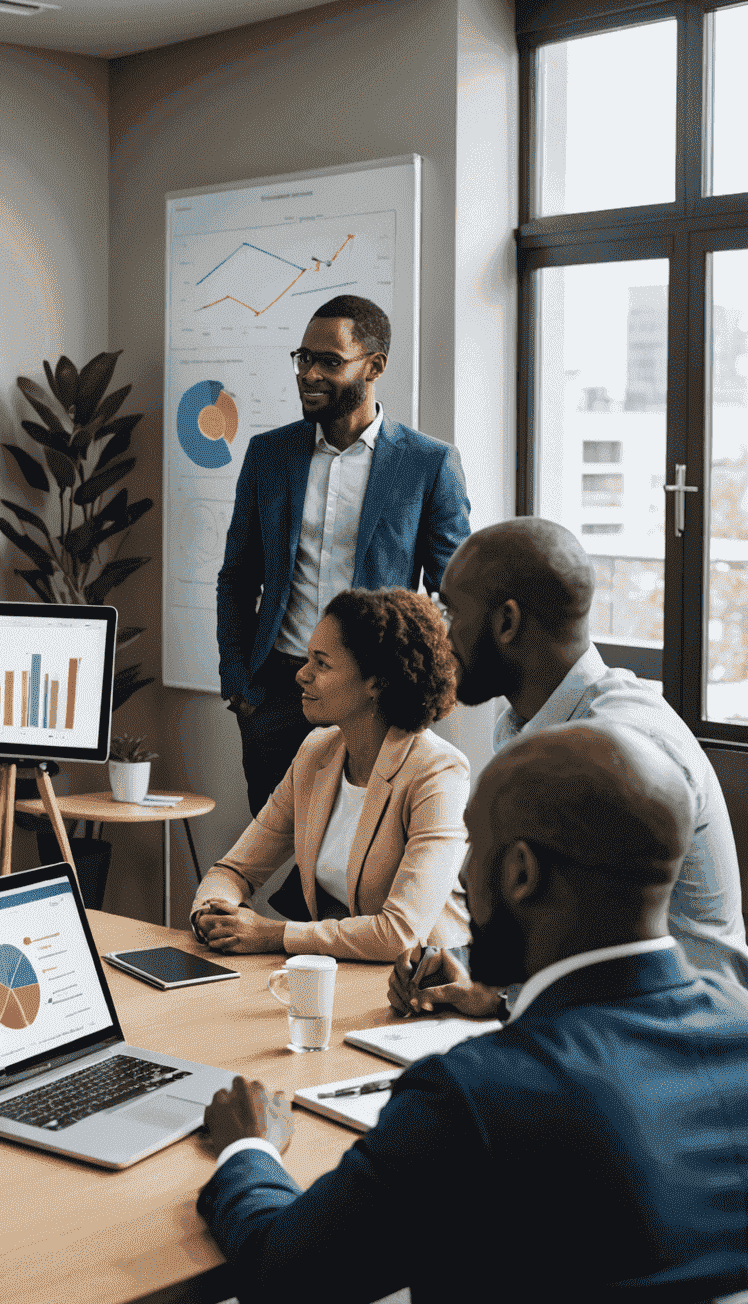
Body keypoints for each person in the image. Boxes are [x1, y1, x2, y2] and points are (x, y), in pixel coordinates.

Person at [197, 723, 748, 1304]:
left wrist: (248, 1147)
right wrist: (505, 1003)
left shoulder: (475, 1095)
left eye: (472, 857)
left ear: (519, 872)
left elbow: (280, 1280)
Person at [391, 515, 747, 1018]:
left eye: (450, 613)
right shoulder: (529, 723)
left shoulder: (613, 749)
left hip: (681, 1034)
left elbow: (607, 958)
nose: (442, 638)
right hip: (618, 1017)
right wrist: (476, 972)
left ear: (506, 623)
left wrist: (503, 993)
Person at [216, 296, 470, 822]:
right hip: (278, 693)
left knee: (359, 855)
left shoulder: (428, 463)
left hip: (375, 698)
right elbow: (237, 578)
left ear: (374, 365)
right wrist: (240, 684)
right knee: (274, 846)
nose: (309, 373)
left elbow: (454, 594)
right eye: (303, 358)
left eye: (329, 361)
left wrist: (417, 689)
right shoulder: (269, 454)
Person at [190, 588, 468, 962]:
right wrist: (213, 911)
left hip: (424, 984)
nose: (301, 675)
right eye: (308, 659)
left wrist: (273, 933)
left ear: (377, 681)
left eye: (321, 664)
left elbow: (398, 932)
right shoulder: (316, 752)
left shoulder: (438, 772)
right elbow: (235, 869)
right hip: (339, 972)